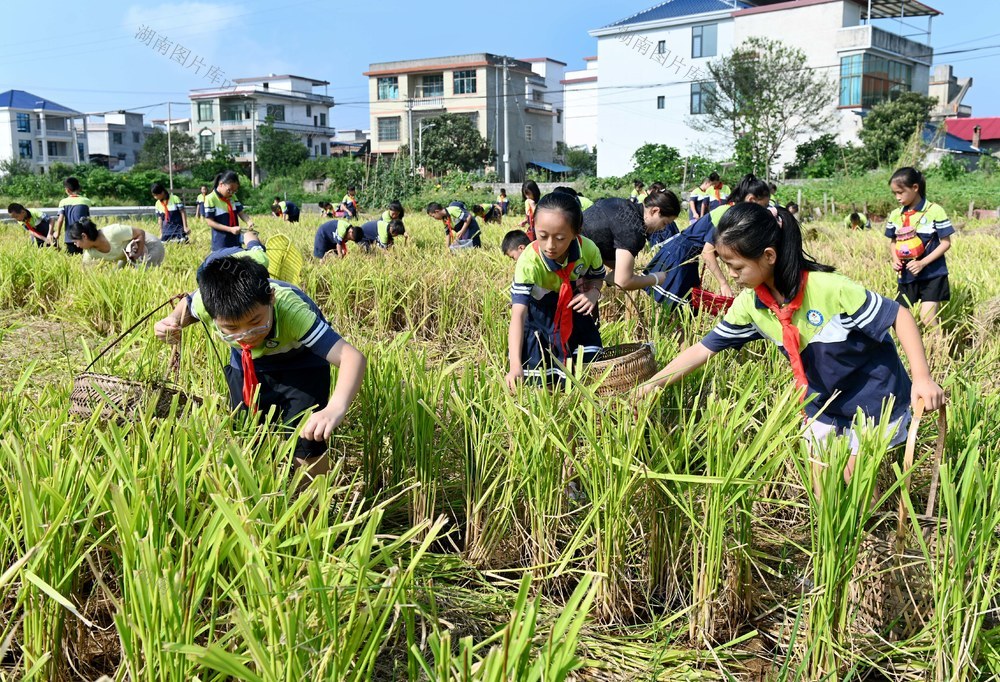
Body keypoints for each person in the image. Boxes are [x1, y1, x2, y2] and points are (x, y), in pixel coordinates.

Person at [639, 202, 945, 484]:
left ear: (768, 256)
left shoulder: (830, 290)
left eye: (737, 267)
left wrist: (922, 378)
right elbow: (704, 348)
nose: (732, 276)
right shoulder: (751, 305)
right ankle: (848, 541)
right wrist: (654, 383)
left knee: (851, 484)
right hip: (822, 402)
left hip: (873, 400)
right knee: (822, 486)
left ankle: (863, 540)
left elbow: (899, 315)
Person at [153, 252, 367, 477]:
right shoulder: (206, 303)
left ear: (271, 298)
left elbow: (352, 358)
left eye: (255, 321)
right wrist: (172, 322)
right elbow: (188, 305)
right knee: (247, 434)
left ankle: (313, 508)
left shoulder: (293, 312)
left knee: (307, 442)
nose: (246, 335)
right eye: (231, 329)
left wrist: (334, 409)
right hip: (246, 364)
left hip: (301, 363)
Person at [506, 192, 605, 389]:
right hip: (539, 318)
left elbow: (597, 277)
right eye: (542, 236)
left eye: (560, 238)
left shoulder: (589, 250)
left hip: (574, 310)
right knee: (544, 380)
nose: (550, 246)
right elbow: (518, 314)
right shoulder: (529, 262)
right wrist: (515, 364)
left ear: (577, 232)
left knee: (585, 373)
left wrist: (593, 292)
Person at [644, 174, 771, 310]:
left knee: (685, 308)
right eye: (764, 206)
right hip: (680, 256)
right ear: (751, 199)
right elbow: (707, 252)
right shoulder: (727, 214)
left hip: (688, 257)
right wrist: (723, 283)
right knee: (674, 307)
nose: (764, 210)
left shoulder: (732, 213)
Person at [885, 167, 953, 326]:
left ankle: (940, 348)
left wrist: (922, 263)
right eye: (894, 193)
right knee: (898, 318)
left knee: (928, 318)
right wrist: (895, 259)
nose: (897, 197)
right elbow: (893, 241)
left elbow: (946, 243)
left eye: (900, 192)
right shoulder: (896, 215)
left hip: (932, 274)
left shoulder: (935, 211)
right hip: (907, 275)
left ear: (915, 188)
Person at [580, 190, 680, 291]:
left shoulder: (618, 202)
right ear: (654, 211)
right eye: (664, 223)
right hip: (575, 267)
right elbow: (623, 282)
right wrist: (656, 278)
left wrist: (619, 270)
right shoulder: (634, 231)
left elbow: (600, 240)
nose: (663, 229)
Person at [67, 218, 164, 268]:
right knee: (116, 273)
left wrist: (138, 254)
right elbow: (86, 272)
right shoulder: (90, 252)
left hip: (150, 245)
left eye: (76, 241)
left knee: (142, 273)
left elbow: (140, 233)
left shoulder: (112, 232)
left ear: (84, 236)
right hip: (129, 254)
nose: (76, 245)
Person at [205, 171, 255, 252]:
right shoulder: (210, 199)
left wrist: (248, 221)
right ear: (221, 184)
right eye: (229, 190)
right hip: (221, 241)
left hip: (235, 238)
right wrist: (230, 229)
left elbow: (241, 212)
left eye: (234, 191)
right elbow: (210, 222)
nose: (231, 193)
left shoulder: (232, 197)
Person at [51, 177, 93, 255]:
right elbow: (87, 218)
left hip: (70, 237)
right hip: (84, 236)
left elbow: (60, 219)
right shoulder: (86, 201)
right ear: (78, 188)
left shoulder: (63, 202)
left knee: (72, 258)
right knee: (85, 257)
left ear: (67, 190)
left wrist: (58, 232)